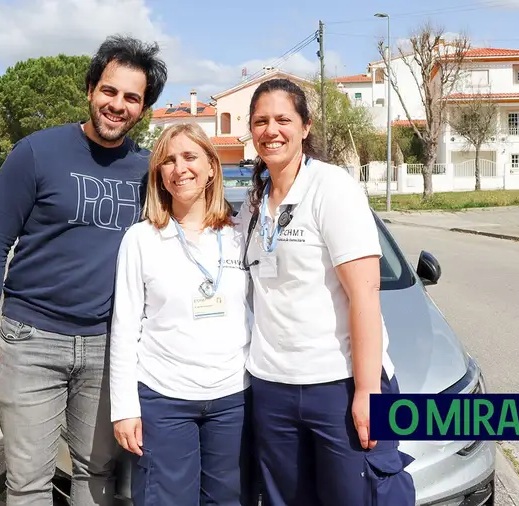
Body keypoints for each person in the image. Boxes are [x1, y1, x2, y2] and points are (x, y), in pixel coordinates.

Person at [0, 35, 168, 506]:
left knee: (97, 472)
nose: (117, 105)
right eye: (110, 91)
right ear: (91, 89)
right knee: (29, 479)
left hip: (107, 346)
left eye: (132, 98)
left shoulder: (147, 171)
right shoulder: (38, 152)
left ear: (143, 108)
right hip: (31, 338)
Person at [236, 77, 416, 506]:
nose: (271, 130)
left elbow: (365, 295)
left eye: (283, 119)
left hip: (338, 384)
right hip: (272, 385)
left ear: (306, 126)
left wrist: (368, 393)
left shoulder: (332, 188)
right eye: (261, 121)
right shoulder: (254, 201)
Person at [109, 122, 254, 506]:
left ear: (211, 167)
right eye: (168, 161)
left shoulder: (240, 234)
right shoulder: (141, 239)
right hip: (164, 399)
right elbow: (124, 330)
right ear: (159, 173)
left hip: (233, 398)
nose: (179, 168)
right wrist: (124, 408)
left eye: (190, 157)